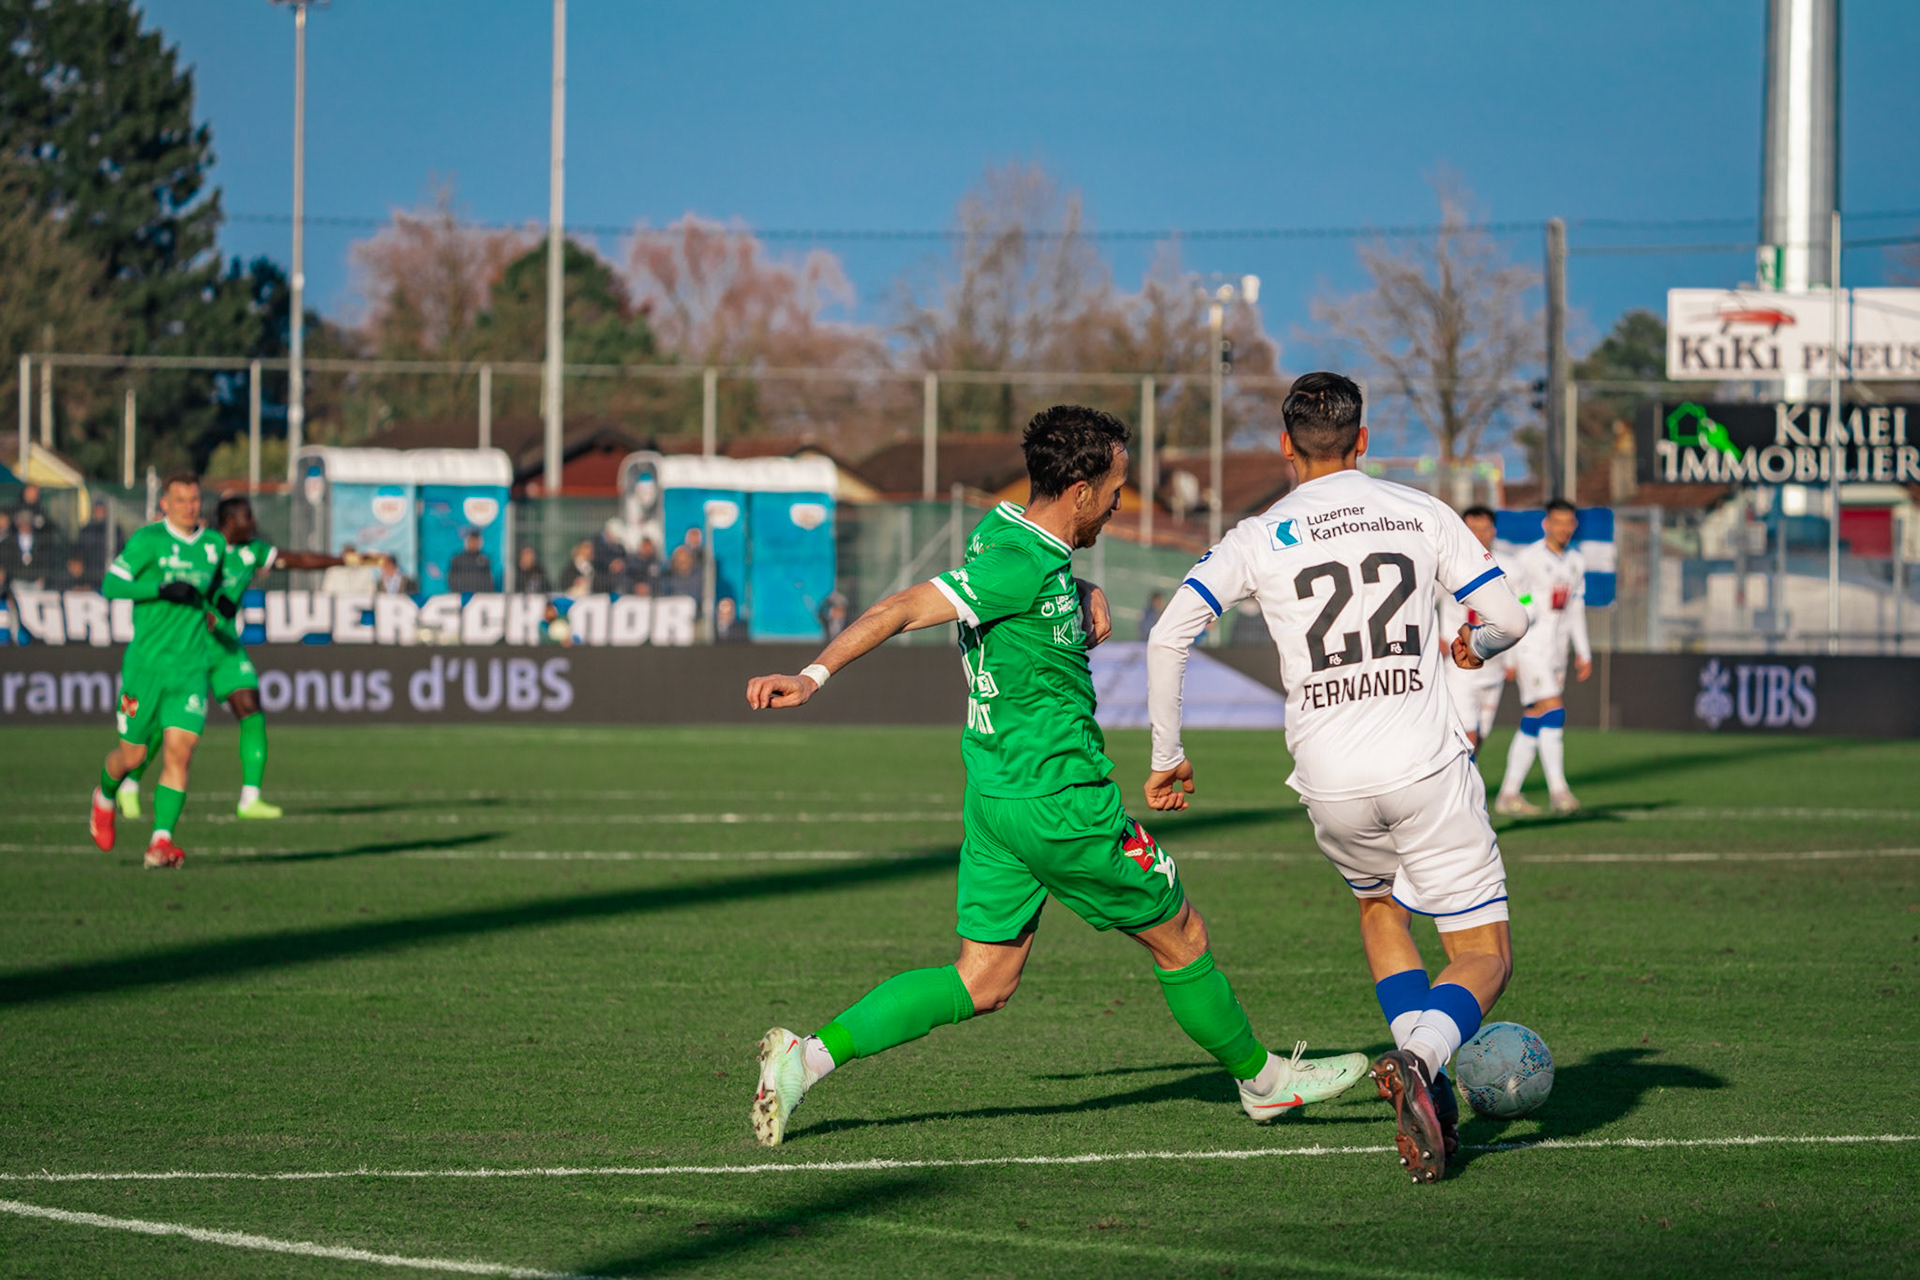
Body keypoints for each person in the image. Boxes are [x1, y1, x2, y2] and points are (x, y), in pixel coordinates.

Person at [743, 404, 1368, 1149]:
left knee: (983, 980)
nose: (1116, 500)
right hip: (1062, 803)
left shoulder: (1005, 529)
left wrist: (1080, 593)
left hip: (997, 800)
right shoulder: (1017, 562)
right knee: (1183, 936)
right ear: (1079, 491)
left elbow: (1031, 586)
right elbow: (902, 608)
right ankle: (1265, 1084)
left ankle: (804, 1060)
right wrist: (812, 675)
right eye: (1114, 487)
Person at [1143, 373, 1529, 1185]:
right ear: (1364, 440)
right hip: (1423, 763)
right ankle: (1422, 1062)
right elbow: (1511, 619)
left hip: (1327, 780)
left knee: (1379, 904)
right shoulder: (1421, 511)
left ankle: (1428, 1092)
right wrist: (1473, 649)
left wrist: (1166, 755)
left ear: (1285, 445)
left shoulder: (1259, 533)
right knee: (1484, 954)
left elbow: (1167, 637)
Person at [117, 495, 363, 823]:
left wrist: (341, 561)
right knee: (166, 728)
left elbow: (298, 558)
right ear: (231, 521)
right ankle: (130, 784)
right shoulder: (206, 547)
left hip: (225, 646)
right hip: (187, 645)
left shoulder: (254, 551)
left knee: (250, 706)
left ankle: (250, 798)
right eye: (249, 516)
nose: (255, 522)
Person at [90, 474, 224, 869]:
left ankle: (160, 842)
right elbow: (111, 586)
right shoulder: (148, 541)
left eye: (195, 499)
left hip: (190, 669)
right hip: (145, 670)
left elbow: (215, 591)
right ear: (164, 503)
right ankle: (103, 796)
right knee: (132, 756)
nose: (189, 506)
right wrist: (160, 590)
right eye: (180, 499)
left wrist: (216, 610)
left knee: (179, 754)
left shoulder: (214, 545)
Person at [1494, 498, 1592, 816]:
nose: (1563, 528)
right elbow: (1511, 597)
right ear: (1546, 524)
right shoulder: (1528, 559)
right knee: (1554, 710)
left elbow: (1575, 608)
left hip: (1557, 651)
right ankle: (1559, 791)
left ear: (1574, 526)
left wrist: (1583, 651)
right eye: (1557, 522)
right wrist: (1510, 655)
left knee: (1535, 718)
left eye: (1569, 523)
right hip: (1531, 647)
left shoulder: (1577, 561)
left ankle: (1508, 793)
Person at [1438, 505, 1515, 755]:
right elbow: (1423, 600)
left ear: (1493, 530)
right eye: (1473, 530)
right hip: (1459, 665)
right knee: (1466, 737)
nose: (1480, 535)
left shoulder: (1511, 568)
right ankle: (1466, 794)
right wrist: (1436, 639)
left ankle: (1468, 788)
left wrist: (1512, 658)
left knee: (1477, 740)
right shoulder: (1447, 566)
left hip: (1494, 666)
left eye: (1484, 529)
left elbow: (1526, 604)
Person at [446, 528, 496, 593]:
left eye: (475, 542)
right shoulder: (457, 560)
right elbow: (451, 580)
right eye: (471, 541)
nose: (473, 544)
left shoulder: (485, 560)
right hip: (460, 596)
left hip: (480, 597)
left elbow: (488, 583)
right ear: (467, 543)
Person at [76, 500, 114, 578]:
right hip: (89, 572)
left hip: (108, 570)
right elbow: (79, 551)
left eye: (101, 510)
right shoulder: (85, 530)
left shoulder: (115, 530)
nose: (99, 513)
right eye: (97, 510)